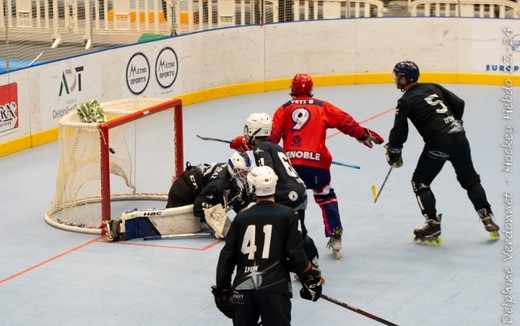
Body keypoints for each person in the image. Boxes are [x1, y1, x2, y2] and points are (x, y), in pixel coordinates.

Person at [231, 73, 384, 258]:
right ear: (311, 90)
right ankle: (335, 234)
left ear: (292, 90)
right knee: (326, 195)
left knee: (289, 203)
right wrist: (362, 134)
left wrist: (247, 143)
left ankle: (292, 241)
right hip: (318, 163)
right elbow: (345, 121)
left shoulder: (284, 109)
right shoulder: (322, 106)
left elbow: (270, 140)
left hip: (292, 166)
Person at [386, 60, 500, 242]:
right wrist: (455, 121)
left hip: (439, 142)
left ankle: (432, 224)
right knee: (470, 180)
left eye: (397, 77)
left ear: (405, 79)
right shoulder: (433, 86)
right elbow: (459, 103)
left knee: (420, 181)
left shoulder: (405, 100)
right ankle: (487, 218)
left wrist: (394, 149)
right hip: (459, 137)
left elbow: (399, 131)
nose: (395, 80)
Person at [213, 165, 322, 325]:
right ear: (275, 186)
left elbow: (227, 257)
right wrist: (309, 277)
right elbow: (295, 254)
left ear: (251, 188)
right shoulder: (289, 215)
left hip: (244, 289)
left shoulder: (241, 218)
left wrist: (223, 290)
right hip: (275, 288)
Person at [231, 112, 320, 266]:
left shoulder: (260, 149)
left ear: (252, 130)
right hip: (299, 191)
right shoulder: (275, 146)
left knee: (277, 226)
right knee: (299, 229)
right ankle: (312, 260)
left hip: (286, 194)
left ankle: (284, 264)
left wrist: (246, 197)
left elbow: (266, 174)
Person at [105, 152, 253, 241]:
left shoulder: (233, 179)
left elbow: (237, 201)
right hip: (183, 190)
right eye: (243, 172)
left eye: (247, 171)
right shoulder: (221, 184)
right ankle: (119, 226)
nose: (246, 175)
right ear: (234, 170)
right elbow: (199, 206)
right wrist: (225, 228)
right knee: (170, 221)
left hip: (196, 185)